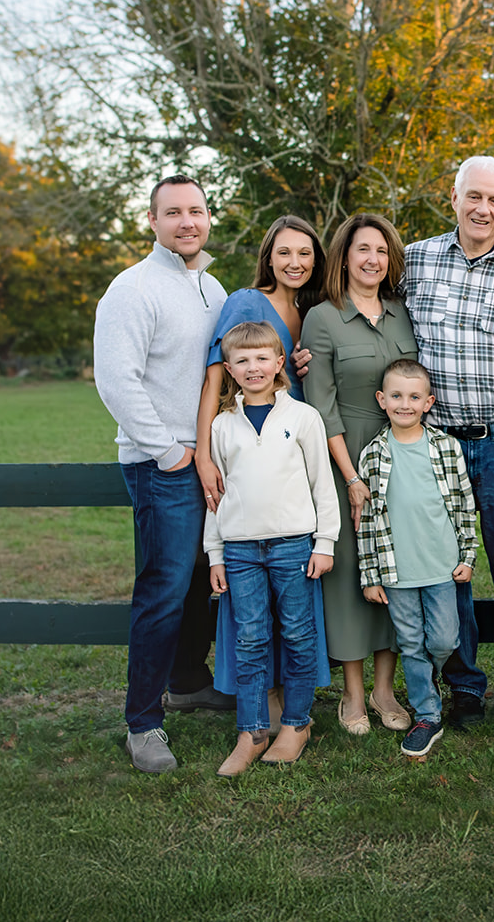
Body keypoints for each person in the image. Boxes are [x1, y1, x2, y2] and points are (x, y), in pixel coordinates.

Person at [403, 156, 494, 729]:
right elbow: (365, 314)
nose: (483, 209)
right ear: (455, 197)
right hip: (434, 445)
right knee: (446, 570)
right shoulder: (413, 261)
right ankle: (463, 684)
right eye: (474, 197)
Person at [93, 174, 229, 773]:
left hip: (207, 459)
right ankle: (143, 724)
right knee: (163, 588)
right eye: (172, 212)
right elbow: (116, 380)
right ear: (152, 220)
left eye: (196, 211)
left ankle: (188, 679)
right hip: (163, 465)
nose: (187, 222)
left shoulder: (212, 287)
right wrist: (168, 452)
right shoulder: (132, 289)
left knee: (204, 577)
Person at [194, 215, 325, 715]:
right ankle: (260, 699)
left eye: (305, 254)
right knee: (251, 602)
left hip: (292, 457)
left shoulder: (308, 311)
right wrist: (205, 454)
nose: (295, 262)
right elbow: (214, 381)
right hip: (244, 457)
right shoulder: (247, 303)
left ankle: (295, 703)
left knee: (294, 601)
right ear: (268, 255)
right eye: (285, 252)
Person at [203, 322, 338, 776]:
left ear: (279, 364)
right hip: (240, 550)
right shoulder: (223, 426)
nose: (253, 367)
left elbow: (323, 484)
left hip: (292, 545)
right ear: (229, 369)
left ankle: (297, 724)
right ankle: (252, 731)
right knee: (250, 639)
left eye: (262, 358)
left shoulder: (302, 417)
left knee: (299, 635)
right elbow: (215, 496)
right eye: (242, 360)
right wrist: (215, 554)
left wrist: (324, 543)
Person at [302, 214, 415, 736]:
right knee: (350, 575)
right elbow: (320, 403)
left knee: (396, 571)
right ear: (344, 256)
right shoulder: (322, 318)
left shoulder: (402, 313)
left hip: (404, 461)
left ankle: (385, 689)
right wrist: (351, 478)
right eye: (362, 249)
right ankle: (351, 694)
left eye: (382, 251)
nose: (373, 259)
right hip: (343, 461)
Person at [355, 360, 479, 760]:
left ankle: (430, 678)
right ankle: (428, 714)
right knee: (410, 642)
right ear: (382, 399)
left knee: (443, 638)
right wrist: (370, 574)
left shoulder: (445, 447)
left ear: (429, 402)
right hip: (397, 572)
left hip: (442, 567)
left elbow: (463, 505)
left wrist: (469, 555)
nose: (404, 404)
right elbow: (368, 522)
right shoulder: (373, 454)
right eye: (396, 396)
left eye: (413, 397)